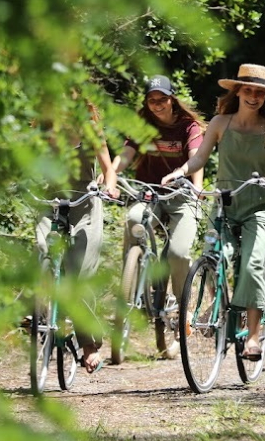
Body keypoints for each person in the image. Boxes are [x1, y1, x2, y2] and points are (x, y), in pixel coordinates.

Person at [161, 63, 265, 361]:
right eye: (248, 90)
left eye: (260, 92)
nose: (253, 96)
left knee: (253, 263)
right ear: (238, 91)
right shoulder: (220, 123)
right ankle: (213, 310)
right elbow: (200, 158)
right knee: (215, 257)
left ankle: (253, 337)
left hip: (259, 208)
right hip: (226, 204)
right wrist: (179, 172)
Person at [105, 74, 204, 358]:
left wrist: (196, 188)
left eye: (162, 99)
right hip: (149, 192)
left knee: (177, 252)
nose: (157, 105)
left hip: (181, 195)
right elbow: (125, 154)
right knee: (134, 220)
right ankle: (132, 282)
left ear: (173, 99)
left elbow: (196, 158)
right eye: (152, 100)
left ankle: (181, 311)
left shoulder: (189, 126)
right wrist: (111, 175)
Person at [35, 94, 116, 374]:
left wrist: (109, 187)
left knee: (79, 271)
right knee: (41, 246)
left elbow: (108, 169)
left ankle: (89, 344)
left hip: (84, 201)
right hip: (52, 198)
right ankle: (38, 312)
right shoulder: (42, 130)